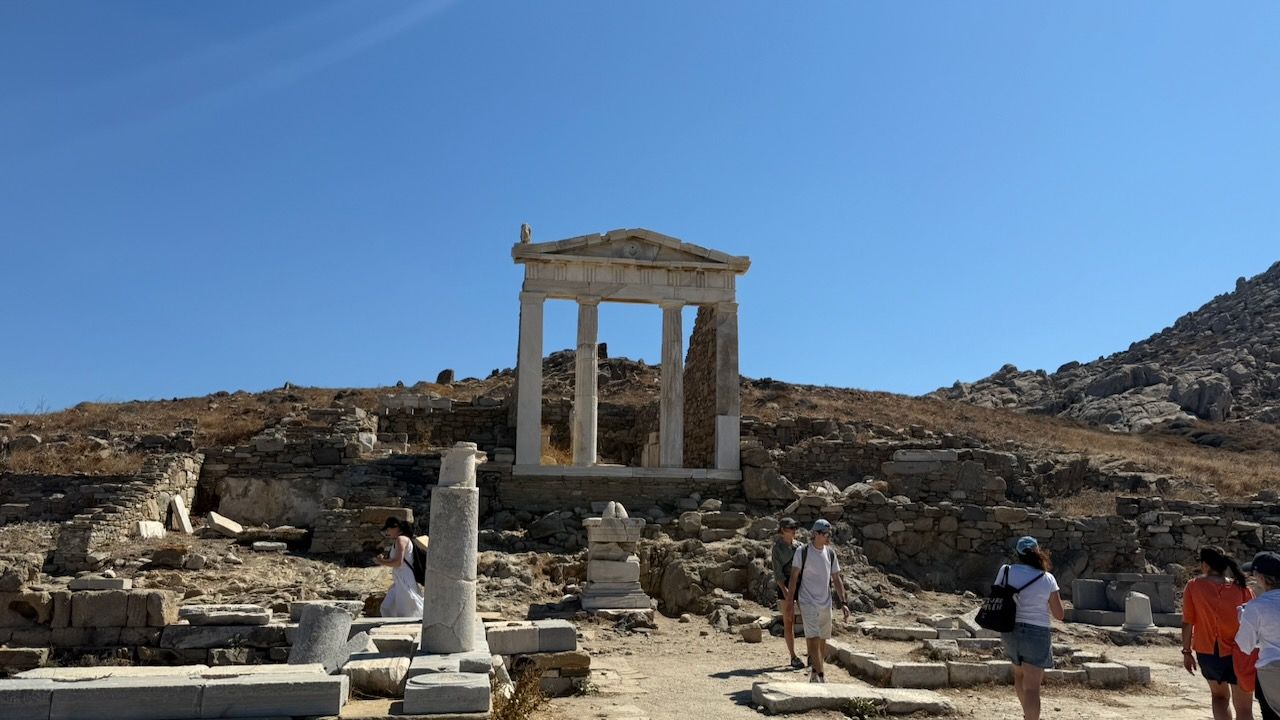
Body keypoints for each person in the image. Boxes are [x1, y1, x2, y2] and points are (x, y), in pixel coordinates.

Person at [996, 536, 1064, 720]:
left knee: (1019, 675)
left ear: (1018, 554)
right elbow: (1059, 614)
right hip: (1036, 632)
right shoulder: (1047, 578)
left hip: (1010, 629)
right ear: (1038, 552)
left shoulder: (1006, 571)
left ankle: (1028, 714)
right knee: (1033, 687)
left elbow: (997, 595)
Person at [1182, 545, 1254, 720]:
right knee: (1244, 708)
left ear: (1205, 565)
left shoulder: (1193, 586)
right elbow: (1253, 623)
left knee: (1219, 697)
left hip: (1208, 652)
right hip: (1240, 652)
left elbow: (1187, 622)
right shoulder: (1242, 588)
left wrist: (1186, 651)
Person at [786, 518, 851, 683]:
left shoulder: (830, 553)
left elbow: (836, 578)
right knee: (813, 638)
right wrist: (789, 602)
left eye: (830, 533)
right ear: (815, 534)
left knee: (822, 639)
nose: (828, 536)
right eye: (825, 533)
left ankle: (815, 673)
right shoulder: (802, 552)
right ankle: (821, 675)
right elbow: (793, 577)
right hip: (807, 600)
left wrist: (843, 603)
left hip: (825, 602)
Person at [1238, 551, 1280, 720]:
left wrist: (1242, 619)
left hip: (1271, 669)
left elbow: (1245, 645)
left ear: (1261, 578)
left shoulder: (1255, 606)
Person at [771, 517, 804, 669]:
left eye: (795, 528)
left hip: (801, 585)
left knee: (808, 619)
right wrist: (786, 592)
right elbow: (778, 573)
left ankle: (812, 654)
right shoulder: (777, 549)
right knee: (789, 621)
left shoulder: (800, 547)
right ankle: (793, 656)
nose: (794, 531)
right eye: (791, 528)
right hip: (785, 585)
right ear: (783, 530)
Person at [374, 517, 424, 618]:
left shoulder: (401, 539)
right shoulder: (401, 539)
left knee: (407, 610)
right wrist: (384, 560)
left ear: (396, 528)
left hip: (405, 579)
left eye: (388, 529)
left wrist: (381, 562)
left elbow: (398, 563)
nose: (388, 532)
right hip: (400, 579)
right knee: (388, 607)